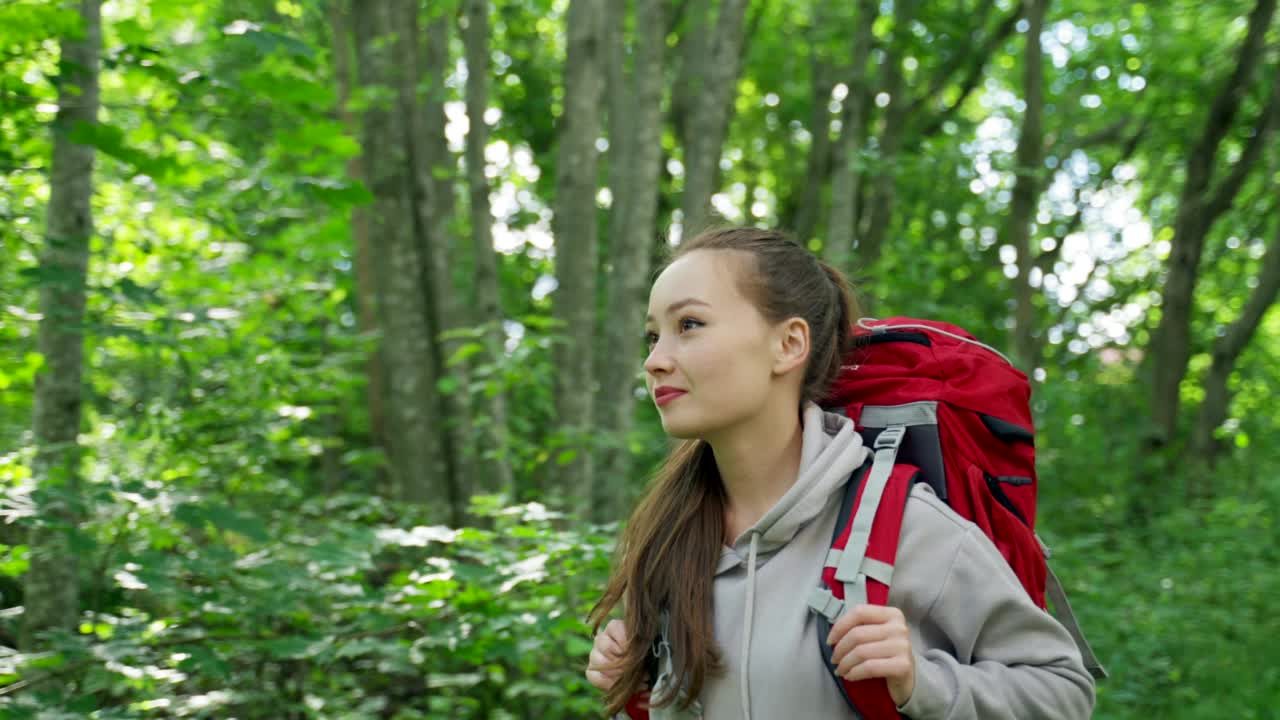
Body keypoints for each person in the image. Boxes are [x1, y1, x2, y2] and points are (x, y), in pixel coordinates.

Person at [584, 227, 1096, 720]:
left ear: (788, 345)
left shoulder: (904, 527)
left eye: (688, 325)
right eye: (652, 337)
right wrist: (638, 687)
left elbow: (1063, 692)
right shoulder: (668, 537)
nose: (655, 360)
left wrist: (922, 683)